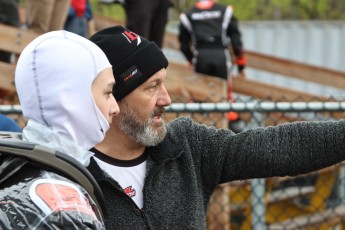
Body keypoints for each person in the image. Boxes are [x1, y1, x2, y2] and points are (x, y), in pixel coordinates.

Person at [89, 25, 345, 229]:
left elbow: (275, 148)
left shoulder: (186, 147)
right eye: (151, 87)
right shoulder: (70, 173)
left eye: (164, 84)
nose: (166, 99)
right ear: (113, 95)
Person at [0, 30, 119, 229]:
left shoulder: (14, 162)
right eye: (107, 93)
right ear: (69, 98)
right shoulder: (66, 210)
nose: (115, 108)